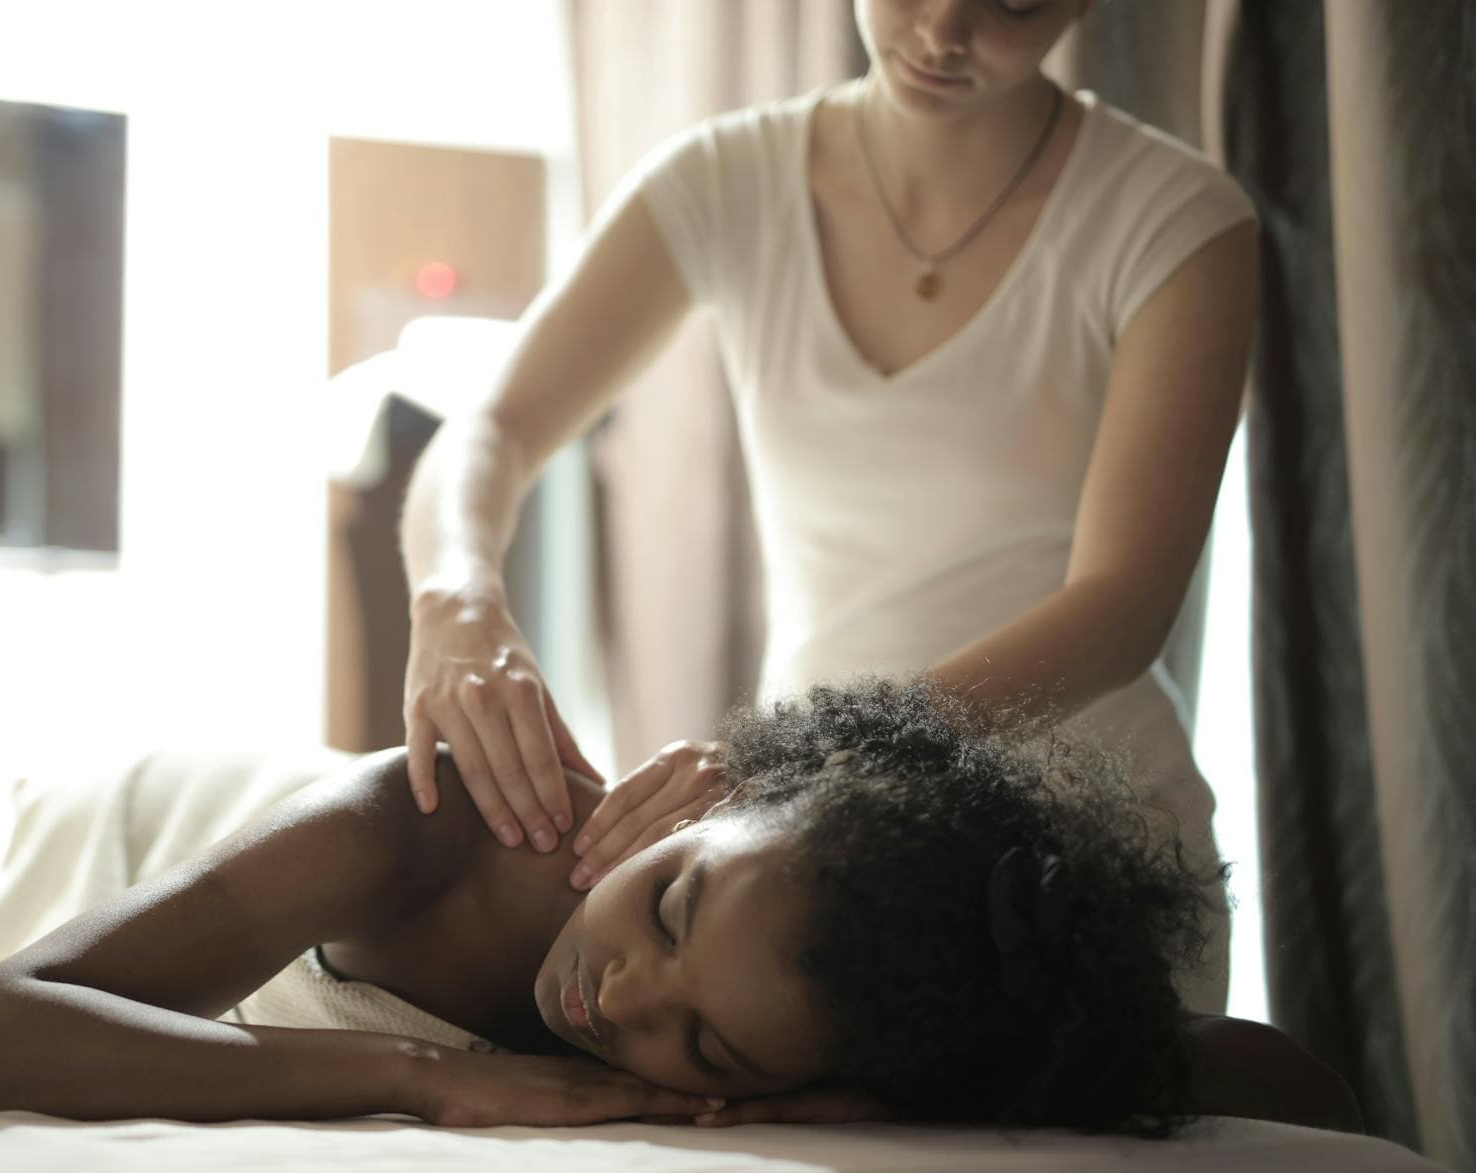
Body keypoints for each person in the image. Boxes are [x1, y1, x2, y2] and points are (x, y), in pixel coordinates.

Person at [397, 0, 1257, 1015]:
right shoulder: (730, 179)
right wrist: (455, 598)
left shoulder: (1173, 219)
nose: (940, 32)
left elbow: (1121, 607)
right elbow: (493, 425)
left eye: (1009, 5)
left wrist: (801, 752)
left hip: (1072, 852)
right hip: (810, 856)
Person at [0, 677, 1357, 1134]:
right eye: (670, 904)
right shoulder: (450, 821)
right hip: (139, 832)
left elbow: (1303, 1087)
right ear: (711, 795)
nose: (619, 999)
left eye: (708, 1049)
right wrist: (422, 1080)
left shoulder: (852, 1009)